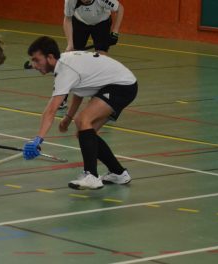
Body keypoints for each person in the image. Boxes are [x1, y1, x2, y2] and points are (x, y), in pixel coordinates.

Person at [23, 36, 137, 190]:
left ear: (50, 57)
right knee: (85, 133)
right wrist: (68, 117)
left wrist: (38, 139)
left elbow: (50, 111)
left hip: (121, 86)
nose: (34, 65)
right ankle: (118, 173)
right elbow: (80, 89)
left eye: (37, 60)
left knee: (83, 120)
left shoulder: (65, 70)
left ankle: (91, 176)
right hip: (120, 85)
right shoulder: (65, 63)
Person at [61, 0, 124, 110]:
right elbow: (67, 19)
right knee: (71, 61)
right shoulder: (71, 1)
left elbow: (120, 9)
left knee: (101, 61)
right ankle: (62, 97)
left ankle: (97, 99)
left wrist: (115, 31)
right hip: (79, 22)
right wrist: (70, 44)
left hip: (102, 23)